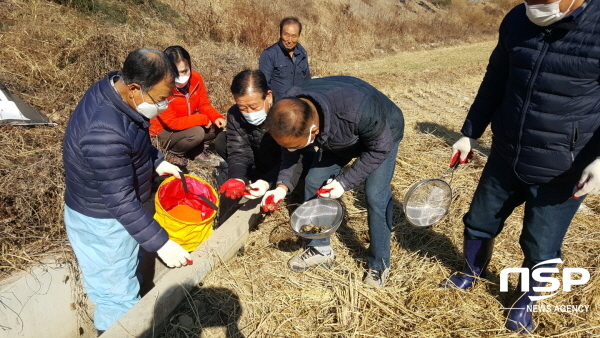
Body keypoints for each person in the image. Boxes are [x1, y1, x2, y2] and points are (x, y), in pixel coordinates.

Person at [440, 0, 600, 333]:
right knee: (480, 219)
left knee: (541, 243)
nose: (535, 7)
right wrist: (470, 133)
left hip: (563, 168)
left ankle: (523, 302)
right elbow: (496, 79)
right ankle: (472, 271)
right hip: (506, 153)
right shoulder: (517, 19)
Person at [63, 48, 193, 335]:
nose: (163, 105)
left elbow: (133, 137)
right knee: (117, 300)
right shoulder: (103, 133)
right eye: (160, 99)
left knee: (122, 280)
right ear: (135, 88)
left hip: (109, 210)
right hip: (102, 222)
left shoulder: (114, 92)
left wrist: (157, 161)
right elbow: (120, 201)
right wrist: (161, 243)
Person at [260, 76, 404, 288]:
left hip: (382, 132)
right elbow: (291, 153)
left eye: (296, 144)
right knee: (314, 180)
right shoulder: (290, 111)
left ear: (313, 132)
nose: (291, 148)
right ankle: (319, 248)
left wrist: (344, 183)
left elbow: (379, 148)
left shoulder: (357, 108)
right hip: (339, 136)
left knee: (375, 195)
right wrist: (281, 188)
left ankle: (379, 263)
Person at [214, 70, 312, 220]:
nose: (249, 113)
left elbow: (292, 158)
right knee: (222, 140)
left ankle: (285, 188)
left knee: (302, 176)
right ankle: (254, 180)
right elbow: (239, 152)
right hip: (261, 160)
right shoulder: (234, 115)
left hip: (290, 164)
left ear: (268, 96)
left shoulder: (286, 112)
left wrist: (267, 182)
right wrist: (238, 177)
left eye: (254, 107)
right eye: (242, 108)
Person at [150, 46, 226, 169]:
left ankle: (194, 151)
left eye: (185, 71)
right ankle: (174, 153)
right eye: (175, 73)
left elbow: (204, 104)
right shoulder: (159, 85)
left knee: (216, 126)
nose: (181, 76)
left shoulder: (196, 78)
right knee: (197, 133)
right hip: (163, 131)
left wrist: (216, 117)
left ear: (190, 65)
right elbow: (172, 123)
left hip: (186, 123)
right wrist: (202, 119)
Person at [259, 17, 311, 102]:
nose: (289, 40)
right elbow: (264, 85)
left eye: (294, 36)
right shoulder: (269, 54)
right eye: (286, 35)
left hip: (299, 105)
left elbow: (307, 82)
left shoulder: (302, 54)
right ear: (280, 33)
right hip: (278, 106)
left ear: (298, 36)